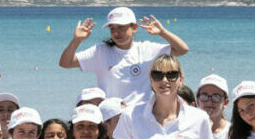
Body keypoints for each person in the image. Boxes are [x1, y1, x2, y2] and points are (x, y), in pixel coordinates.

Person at [59, 6, 191, 106]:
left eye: (121, 28)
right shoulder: (100, 51)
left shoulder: (146, 49)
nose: (116, 33)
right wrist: (76, 40)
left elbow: (182, 49)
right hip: (110, 117)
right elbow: (65, 63)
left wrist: (163, 32)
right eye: (112, 29)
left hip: (140, 116)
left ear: (134, 28)